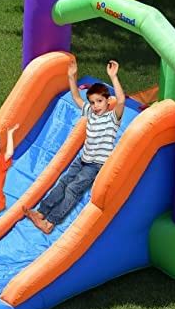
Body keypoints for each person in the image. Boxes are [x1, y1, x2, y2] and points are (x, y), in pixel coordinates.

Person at [24, 59, 125, 234]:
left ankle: (50, 222)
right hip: (83, 159)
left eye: (99, 101)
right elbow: (77, 98)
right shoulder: (91, 113)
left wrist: (113, 77)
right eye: (92, 102)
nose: (95, 106)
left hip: (96, 165)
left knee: (73, 189)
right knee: (63, 182)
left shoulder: (112, 119)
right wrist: (72, 77)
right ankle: (41, 212)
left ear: (108, 101)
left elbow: (121, 100)